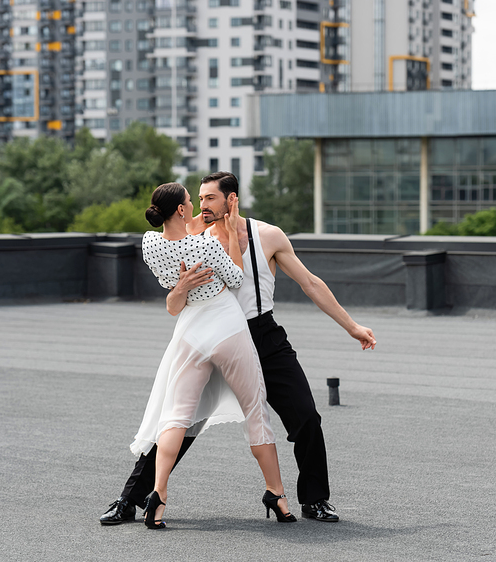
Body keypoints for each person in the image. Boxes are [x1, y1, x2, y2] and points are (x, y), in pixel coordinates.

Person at [100, 172, 376, 526]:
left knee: (306, 416)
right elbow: (175, 300)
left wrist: (352, 326)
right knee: (177, 424)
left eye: (210, 199)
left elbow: (309, 283)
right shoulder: (195, 238)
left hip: (262, 336)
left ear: (232, 199)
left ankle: (315, 500)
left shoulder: (268, 236)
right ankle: (129, 500)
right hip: (213, 337)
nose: (203, 206)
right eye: (198, 199)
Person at [128, 182, 295, 528]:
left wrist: (183, 285)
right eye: (192, 200)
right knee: (255, 408)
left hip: (191, 329)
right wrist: (232, 234)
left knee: (176, 415)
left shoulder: (150, 244)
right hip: (224, 323)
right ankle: (276, 493)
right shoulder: (205, 243)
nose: (195, 204)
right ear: (181, 210)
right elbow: (235, 278)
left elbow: (172, 294)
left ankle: (158, 493)